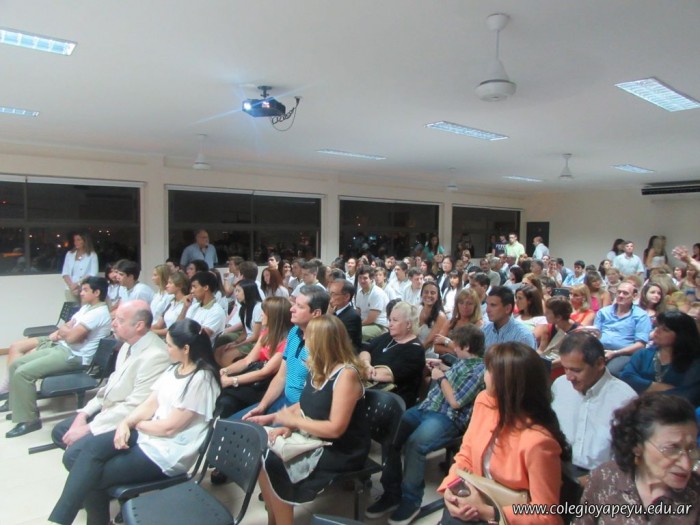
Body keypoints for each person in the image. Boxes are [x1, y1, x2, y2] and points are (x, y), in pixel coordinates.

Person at [48, 319, 221, 525]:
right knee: (89, 450)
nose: (166, 349)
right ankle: (62, 519)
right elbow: (150, 404)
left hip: (168, 451)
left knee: (93, 475)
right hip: (149, 434)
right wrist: (125, 423)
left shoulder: (201, 379)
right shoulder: (174, 369)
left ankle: (68, 521)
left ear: (185, 349)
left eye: (169, 345)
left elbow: (169, 428)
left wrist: (135, 425)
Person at [253, 315, 370, 525]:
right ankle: (274, 518)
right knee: (261, 451)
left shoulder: (346, 375)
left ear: (323, 341)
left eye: (309, 335)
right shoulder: (318, 366)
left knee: (274, 462)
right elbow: (307, 404)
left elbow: (335, 429)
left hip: (342, 449)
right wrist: (285, 424)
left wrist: (295, 423)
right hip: (317, 436)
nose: (305, 339)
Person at [438, 342, 571, 525]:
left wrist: (489, 512)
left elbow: (547, 515)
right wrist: (450, 489)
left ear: (506, 383)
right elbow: (465, 456)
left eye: (488, 370)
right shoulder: (484, 402)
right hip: (478, 501)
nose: (483, 375)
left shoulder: (538, 442)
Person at [366, 325, 486, 525]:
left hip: (447, 417)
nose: (453, 347)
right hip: (427, 408)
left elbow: (456, 402)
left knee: (415, 445)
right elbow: (457, 375)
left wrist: (441, 377)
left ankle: (411, 501)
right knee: (391, 434)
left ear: (466, 347)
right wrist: (444, 368)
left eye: (456, 344)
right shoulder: (462, 362)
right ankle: (392, 492)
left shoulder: (480, 369)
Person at [52, 300, 171, 470]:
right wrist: (83, 414)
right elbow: (109, 388)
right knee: (60, 432)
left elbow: (136, 406)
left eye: (120, 320)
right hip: (109, 410)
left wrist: (88, 428)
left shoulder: (156, 356)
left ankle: (96, 472)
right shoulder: (127, 345)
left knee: (74, 454)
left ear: (139, 325)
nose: (113, 324)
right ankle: (89, 466)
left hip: (129, 421)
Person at [4, 277, 112, 438]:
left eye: (85, 290)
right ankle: (19, 409)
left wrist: (68, 332)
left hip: (75, 357)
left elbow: (72, 337)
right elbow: (67, 328)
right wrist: (68, 331)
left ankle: (29, 420)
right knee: (16, 365)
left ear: (97, 293)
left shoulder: (98, 313)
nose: (81, 293)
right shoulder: (87, 308)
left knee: (23, 373)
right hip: (63, 348)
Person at [577, 393, 700, 524]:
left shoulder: (696, 494)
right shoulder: (606, 477)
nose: (686, 464)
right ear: (637, 446)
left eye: (691, 448)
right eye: (672, 449)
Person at [551, 332, 637, 478]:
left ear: (599, 363)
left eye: (576, 370)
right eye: (565, 368)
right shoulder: (560, 385)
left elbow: (626, 458)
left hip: (600, 477)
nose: (569, 377)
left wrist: (595, 479)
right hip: (556, 465)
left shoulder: (625, 399)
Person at [241, 286, 330, 419]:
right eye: (294, 304)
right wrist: (262, 406)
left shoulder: (323, 345)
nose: (291, 309)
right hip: (283, 401)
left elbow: (316, 398)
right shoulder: (294, 332)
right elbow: (281, 376)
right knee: (235, 422)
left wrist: (273, 418)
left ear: (316, 313)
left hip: (303, 411)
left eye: (299, 306)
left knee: (247, 429)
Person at [216, 297, 292, 418]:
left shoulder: (287, 343)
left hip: (265, 386)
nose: (261, 315)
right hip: (254, 378)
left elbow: (264, 372)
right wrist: (225, 370)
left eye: (264, 312)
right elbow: (247, 360)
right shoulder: (267, 333)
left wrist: (232, 380)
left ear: (274, 317)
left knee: (227, 399)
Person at [619, 310, 700, 405]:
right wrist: (660, 387)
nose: (657, 331)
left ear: (681, 335)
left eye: (665, 329)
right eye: (657, 326)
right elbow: (626, 377)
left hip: (674, 411)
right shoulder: (643, 354)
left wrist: (644, 388)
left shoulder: (694, 362)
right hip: (639, 407)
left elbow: (686, 396)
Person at [359, 301, 425, 408]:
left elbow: (385, 375)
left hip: (392, 400)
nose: (390, 324)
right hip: (370, 391)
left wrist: (362, 369)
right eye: (390, 320)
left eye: (395, 320)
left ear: (408, 324)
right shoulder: (388, 337)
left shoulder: (415, 350)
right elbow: (365, 349)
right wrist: (366, 364)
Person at [595, 281, 652, 376]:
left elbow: (640, 345)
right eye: (619, 292)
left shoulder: (641, 316)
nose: (621, 295)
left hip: (624, 353)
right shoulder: (603, 312)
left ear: (634, 296)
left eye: (625, 293)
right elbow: (595, 334)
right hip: (600, 350)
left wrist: (615, 352)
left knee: (610, 371)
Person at [214, 280, 263, 366]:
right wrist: (235, 342)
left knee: (226, 356)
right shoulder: (244, 308)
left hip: (256, 343)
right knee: (218, 351)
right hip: (248, 340)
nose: (236, 294)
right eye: (235, 291)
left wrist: (238, 345)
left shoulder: (258, 307)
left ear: (247, 291)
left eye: (238, 291)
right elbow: (245, 332)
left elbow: (255, 337)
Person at [434, 288, 485, 355]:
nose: (465, 306)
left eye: (469, 303)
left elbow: (467, 350)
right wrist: (452, 351)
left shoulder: (478, 324)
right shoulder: (451, 322)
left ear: (475, 306)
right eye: (461, 303)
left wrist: (446, 341)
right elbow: (436, 346)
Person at [182, 270, 226, 346]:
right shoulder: (194, 307)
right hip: (185, 345)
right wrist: (185, 308)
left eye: (194, 287)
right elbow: (179, 326)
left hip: (200, 350)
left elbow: (201, 337)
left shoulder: (216, 311)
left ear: (206, 287)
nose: (191, 291)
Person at [538, 296, 581, 364]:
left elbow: (572, 357)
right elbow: (541, 349)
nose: (544, 314)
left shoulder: (578, 332)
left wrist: (549, 365)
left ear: (558, 317)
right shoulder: (547, 328)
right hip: (547, 363)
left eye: (548, 312)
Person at [61, 232, 99, 301]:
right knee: (72, 307)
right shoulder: (69, 254)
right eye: (74, 240)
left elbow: (93, 274)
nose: (76, 242)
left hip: (86, 289)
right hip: (70, 289)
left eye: (78, 240)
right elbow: (65, 272)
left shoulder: (92, 255)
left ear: (85, 241)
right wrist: (71, 286)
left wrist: (78, 285)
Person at [355, 265, 389, 341]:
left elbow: (371, 319)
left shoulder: (377, 293)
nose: (362, 281)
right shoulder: (359, 292)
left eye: (365, 278)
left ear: (371, 279)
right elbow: (358, 312)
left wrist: (357, 325)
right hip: (364, 322)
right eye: (360, 278)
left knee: (359, 333)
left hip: (379, 325)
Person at [151, 270, 190, 337]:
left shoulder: (187, 303)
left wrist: (152, 331)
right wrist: (146, 329)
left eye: (170, 283)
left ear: (180, 285)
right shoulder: (171, 303)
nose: (167, 286)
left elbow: (175, 329)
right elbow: (158, 324)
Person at [327, 278, 362, 353]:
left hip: (344, 354)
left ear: (346, 297)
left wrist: (328, 317)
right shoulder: (333, 311)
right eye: (329, 293)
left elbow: (335, 339)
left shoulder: (352, 316)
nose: (330, 297)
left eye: (333, 294)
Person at [417, 281, 447, 352]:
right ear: (421, 294)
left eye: (432, 293)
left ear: (437, 297)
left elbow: (429, 342)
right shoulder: (417, 308)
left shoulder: (440, 316)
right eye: (426, 292)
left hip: (428, 353)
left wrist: (415, 354)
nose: (429, 295)